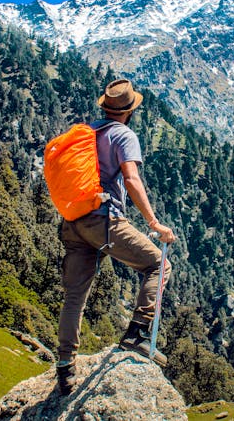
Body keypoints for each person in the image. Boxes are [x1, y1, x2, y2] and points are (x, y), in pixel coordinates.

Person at [55, 78, 176, 395]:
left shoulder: (89, 132)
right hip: (104, 221)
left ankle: (65, 367)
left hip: (74, 222)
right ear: (129, 111)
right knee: (158, 266)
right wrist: (154, 223)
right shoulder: (124, 134)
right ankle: (136, 335)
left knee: (74, 297)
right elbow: (132, 179)